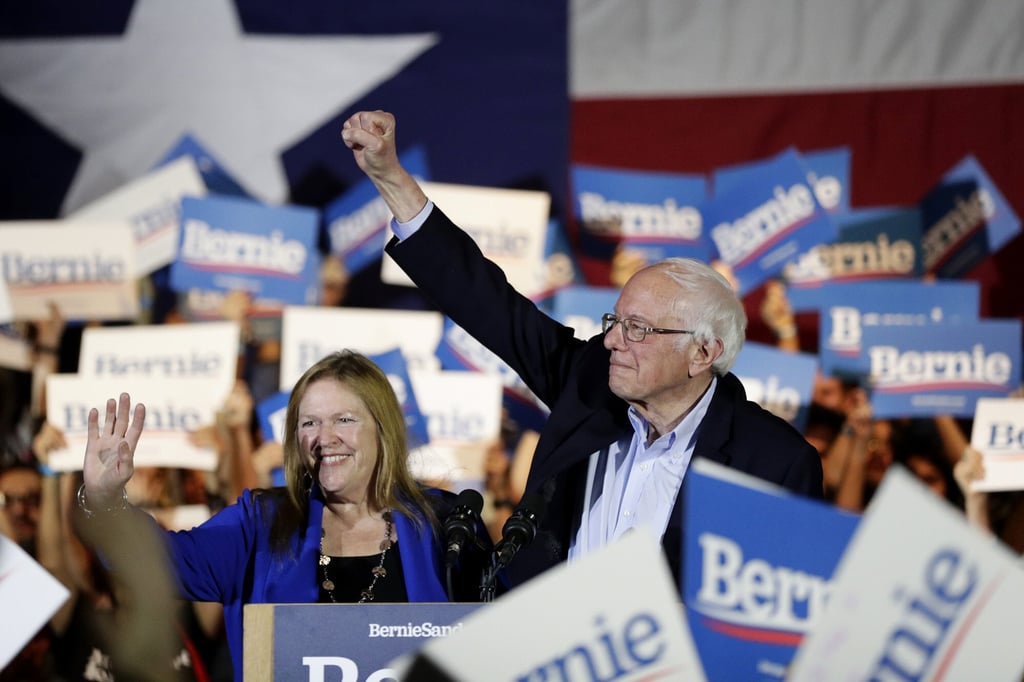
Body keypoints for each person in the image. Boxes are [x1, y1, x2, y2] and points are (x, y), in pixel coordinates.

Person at [340, 110, 823, 588]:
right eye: (615, 321)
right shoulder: (590, 386)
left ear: (703, 353)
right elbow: (488, 303)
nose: (612, 339)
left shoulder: (773, 461)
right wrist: (392, 179)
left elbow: (774, 609)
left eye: (638, 329)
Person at [78, 350, 493, 682]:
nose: (324, 438)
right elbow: (155, 563)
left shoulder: (445, 525)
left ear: (382, 428)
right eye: (309, 422)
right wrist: (105, 498)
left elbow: (504, 638)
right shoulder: (260, 524)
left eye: (344, 420)